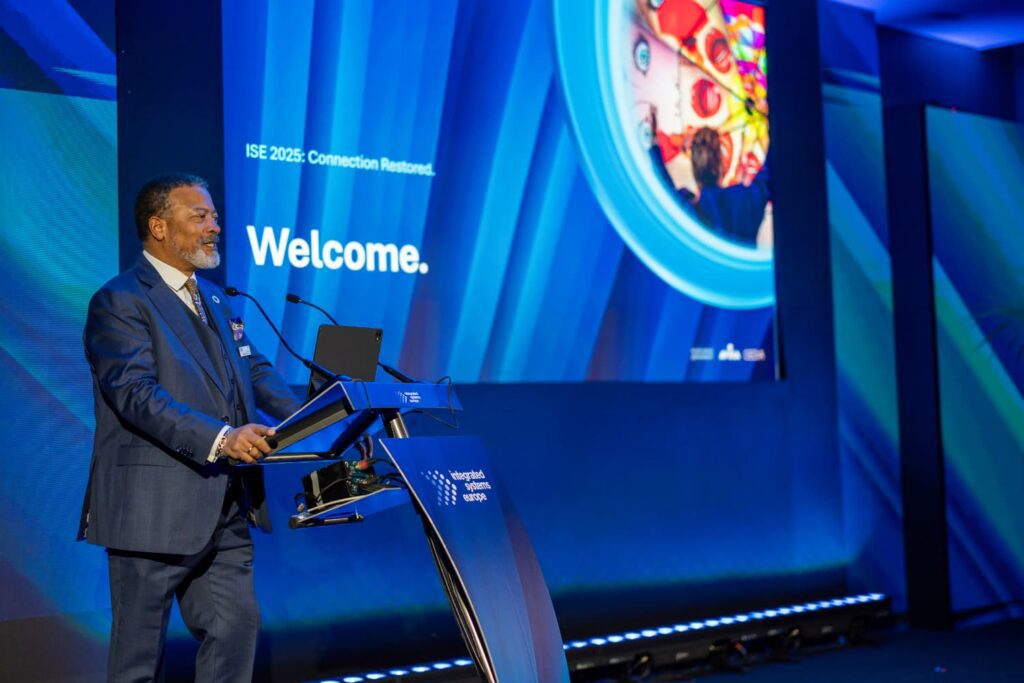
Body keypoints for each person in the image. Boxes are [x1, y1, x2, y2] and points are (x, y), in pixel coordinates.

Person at [78, 173, 303, 682]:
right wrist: (223, 439)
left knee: (235, 632)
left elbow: (257, 373)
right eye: (198, 215)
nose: (214, 226)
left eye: (215, 216)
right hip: (151, 511)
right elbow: (135, 395)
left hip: (224, 508)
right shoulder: (120, 301)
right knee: (138, 662)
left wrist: (322, 415)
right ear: (159, 226)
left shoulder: (218, 300)